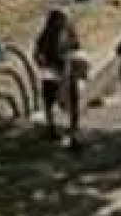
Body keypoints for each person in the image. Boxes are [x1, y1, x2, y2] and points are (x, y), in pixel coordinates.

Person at [33, 9, 84, 148]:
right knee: (49, 99)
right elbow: (37, 53)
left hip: (68, 70)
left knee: (74, 100)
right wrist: (41, 63)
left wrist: (76, 60)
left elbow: (77, 48)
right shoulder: (46, 34)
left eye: (65, 19)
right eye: (61, 19)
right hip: (52, 70)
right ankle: (51, 127)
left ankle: (74, 132)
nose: (64, 22)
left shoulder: (70, 32)